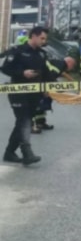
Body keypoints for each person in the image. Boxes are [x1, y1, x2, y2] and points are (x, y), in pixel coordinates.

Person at [2, 26, 50, 165]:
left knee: (23, 121)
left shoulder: (42, 54)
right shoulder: (18, 51)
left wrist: (47, 86)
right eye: (42, 38)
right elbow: (5, 68)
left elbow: (45, 73)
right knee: (24, 120)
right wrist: (22, 73)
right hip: (18, 92)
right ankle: (26, 152)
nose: (43, 41)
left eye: (45, 39)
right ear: (33, 36)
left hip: (34, 94)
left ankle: (9, 152)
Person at [32, 56, 76, 133]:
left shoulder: (58, 63)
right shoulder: (61, 65)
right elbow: (50, 77)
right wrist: (45, 90)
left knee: (43, 104)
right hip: (37, 83)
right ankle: (31, 125)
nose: (72, 68)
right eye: (73, 65)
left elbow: (52, 77)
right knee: (38, 104)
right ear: (69, 62)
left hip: (39, 82)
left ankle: (41, 122)